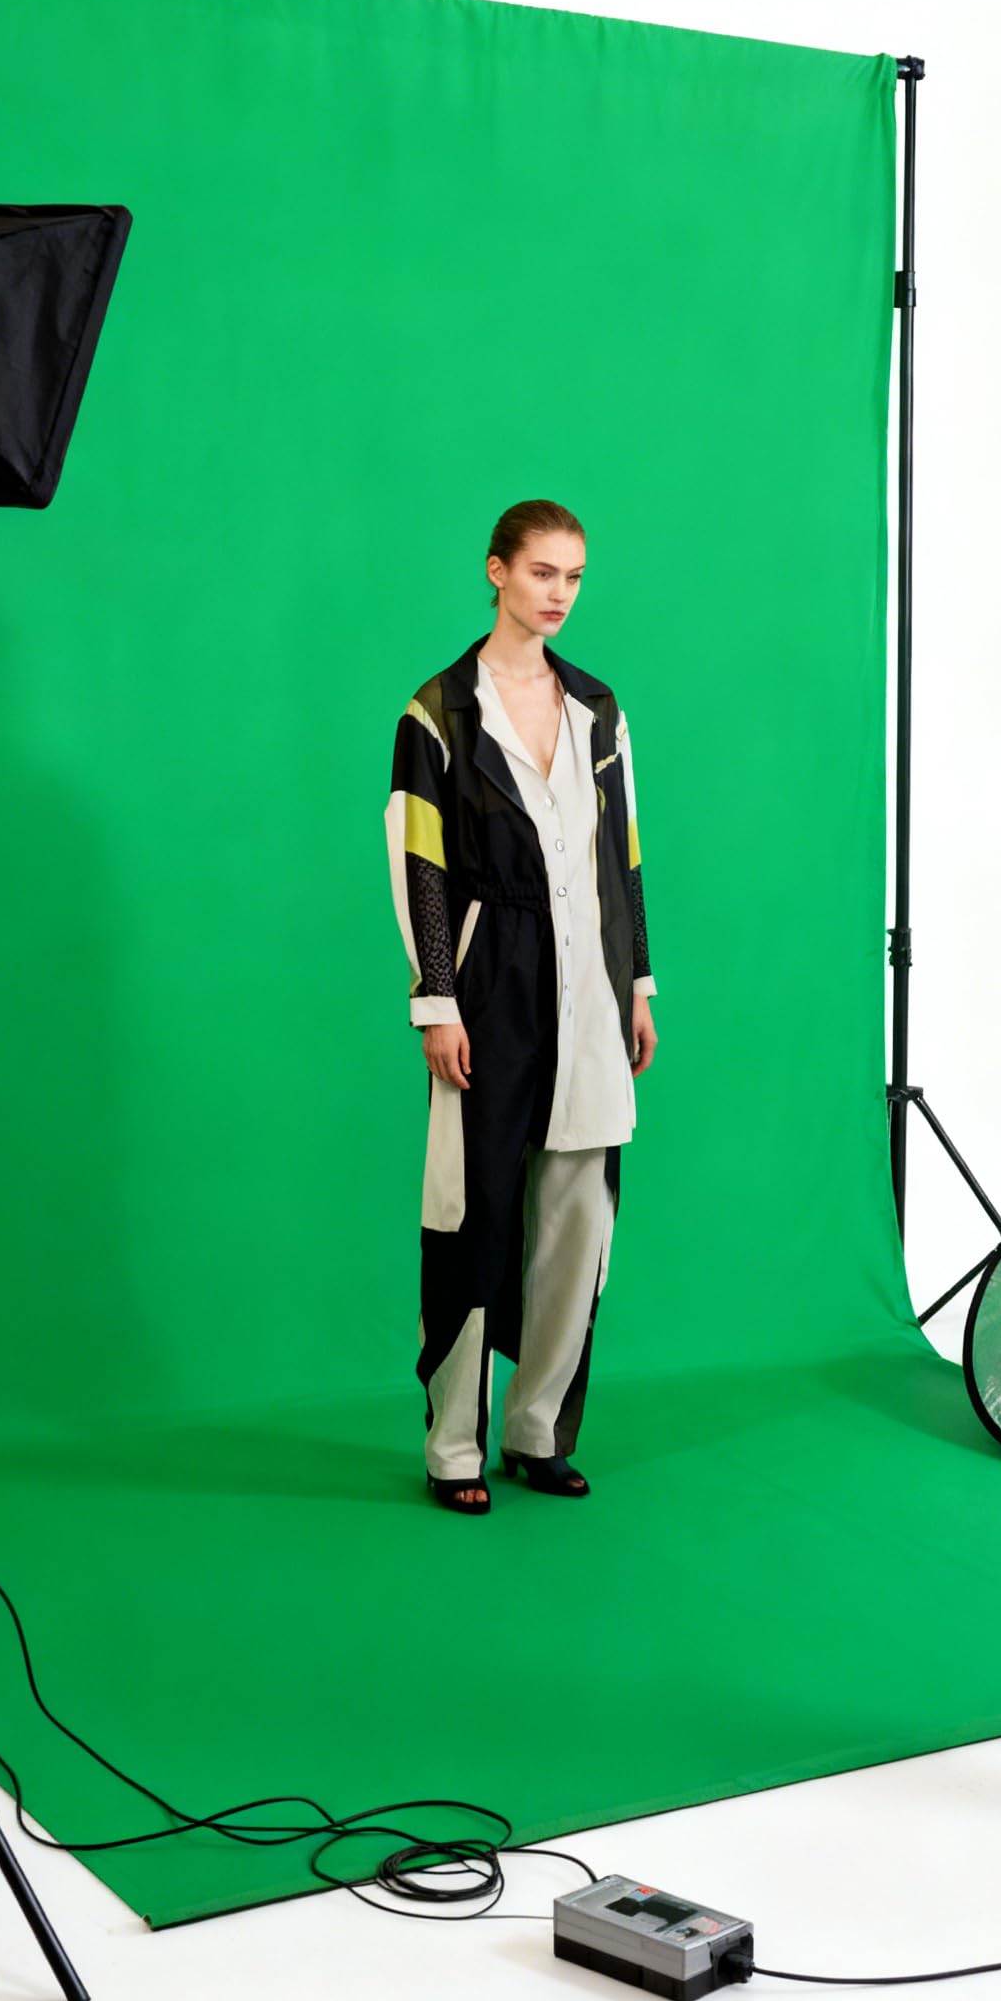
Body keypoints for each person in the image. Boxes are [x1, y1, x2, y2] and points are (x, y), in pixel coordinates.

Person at [384, 500, 657, 1516]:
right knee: (471, 1214)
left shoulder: (598, 708)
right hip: (487, 978)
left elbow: (623, 854)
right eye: (542, 572)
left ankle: (537, 1430)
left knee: (578, 1218)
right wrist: (436, 1001)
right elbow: (419, 861)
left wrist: (638, 984)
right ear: (496, 570)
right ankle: (452, 1444)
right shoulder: (438, 713)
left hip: (592, 985)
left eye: (574, 576)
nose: (559, 594)